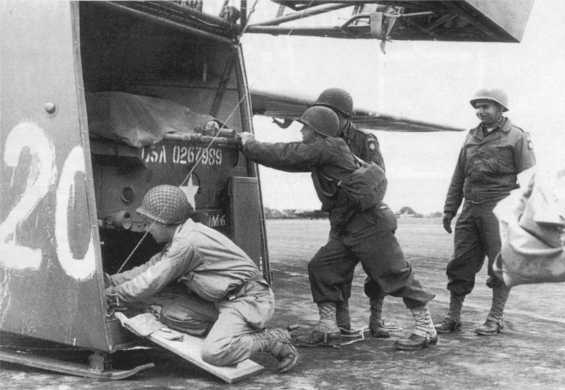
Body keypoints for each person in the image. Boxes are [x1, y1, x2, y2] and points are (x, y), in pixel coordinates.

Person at [240, 106, 437, 350]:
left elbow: (286, 154)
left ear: (318, 131)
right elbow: (291, 157)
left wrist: (249, 144)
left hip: (369, 226)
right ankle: (327, 328)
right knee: (323, 267)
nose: (301, 130)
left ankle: (426, 328)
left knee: (395, 275)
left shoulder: (328, 147)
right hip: (349, 227)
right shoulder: (327, 149)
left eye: (305, 126)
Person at [105, 185, 298, 372]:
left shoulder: (187, 243)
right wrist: (111, 281)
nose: (147, 229)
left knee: (214, 352)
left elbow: (151, 280)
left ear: (164, 222)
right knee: (171, 314)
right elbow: (148, 268)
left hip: (247, 300)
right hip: (224, 301)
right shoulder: (182, 236)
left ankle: (272, 339)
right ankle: (236, 333)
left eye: (149, 223)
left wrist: (114, 296)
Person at [436, 89, 536, 336]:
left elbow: (530, 179)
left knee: (500, 265)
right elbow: (459, 175)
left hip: (500, 209)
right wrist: (450, 209)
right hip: (470, 209)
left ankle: (495, 318)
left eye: (486, 107)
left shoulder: (517, 137)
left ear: (501, 109)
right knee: (460, 263)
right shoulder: (471, 137)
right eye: (478, 107)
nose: (480, 111)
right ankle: (453, 317)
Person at [313, 88, 389, 337]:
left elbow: (378, 177)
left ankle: (376, 320)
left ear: (345, 116)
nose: (327, 117)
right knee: (336, 270)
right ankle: (342, 322)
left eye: (332, 113)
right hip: (339, 217)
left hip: (363, 217)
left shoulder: (364, 140)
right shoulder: (320, 139)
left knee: (377, 268)